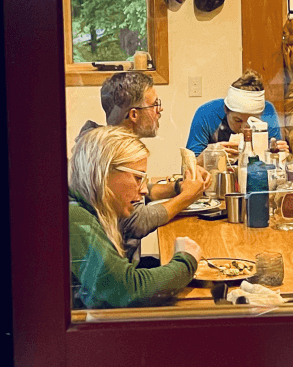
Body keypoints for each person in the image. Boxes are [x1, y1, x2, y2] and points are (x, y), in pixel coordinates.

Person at [76, 71, 208, 265]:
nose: (160, 110)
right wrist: (186, 197)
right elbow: (135, 222)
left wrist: (180, 186)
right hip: (120, 275)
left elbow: (143, 192)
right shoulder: (106, 155)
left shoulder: (115, 145)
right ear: (134, 114)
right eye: (154, 104)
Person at [69, 125, 203, 309]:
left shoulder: (83, 208)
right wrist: (186, 260)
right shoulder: (74, 217)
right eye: (138, 177)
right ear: (105, 171)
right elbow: (129, 290)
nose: (144, 190)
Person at [186, 69, 289, 159]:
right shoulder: (206, 114)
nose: (244, 128)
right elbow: (189, 165)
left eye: (252, 122)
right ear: (226, 110)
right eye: (237, 120)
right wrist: (211, 155)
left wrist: (279, 154)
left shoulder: (268, 112)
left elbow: (275, 162)